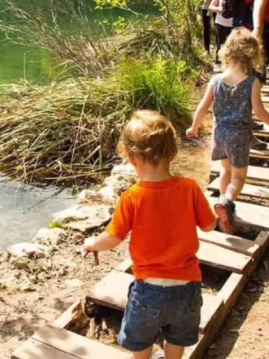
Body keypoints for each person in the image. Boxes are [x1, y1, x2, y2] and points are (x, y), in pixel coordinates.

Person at [83, 110, 216, 359]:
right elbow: (209, 226)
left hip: (148, 291)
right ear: (173, 152)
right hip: (187, 287)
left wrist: (92, 244)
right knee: (176, 338)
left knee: (140, 342)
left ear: (131, 157)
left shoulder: (132, 196)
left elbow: (113, 238)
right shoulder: (189, 188)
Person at [187, 28, 269, 233]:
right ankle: (227, 201)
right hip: (239, 137)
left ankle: (224, 213)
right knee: (238, 178)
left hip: (219, 134)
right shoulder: (252, 82)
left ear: (227, 53)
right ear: (252, 55)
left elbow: (203, 106)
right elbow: (259, 110)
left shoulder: (216, 80)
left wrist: (194, 126)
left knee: (225, 170)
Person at [209, 0, 234, 64]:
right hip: (220, 22)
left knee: (230, 44)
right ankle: (219, 59)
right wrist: (218, 9)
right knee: (220, 43)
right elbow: (211, 7)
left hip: (232, 23)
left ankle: (228, 62)